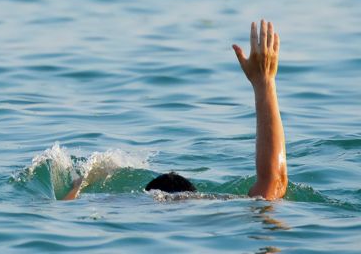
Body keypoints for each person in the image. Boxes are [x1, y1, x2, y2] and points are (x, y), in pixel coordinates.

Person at [62, 20, 287, 201]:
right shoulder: (210, 205)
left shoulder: (129, 206)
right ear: (193, 196)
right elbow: (274, 185)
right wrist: (264, 82)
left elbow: (67, 211)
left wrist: (77, 185)